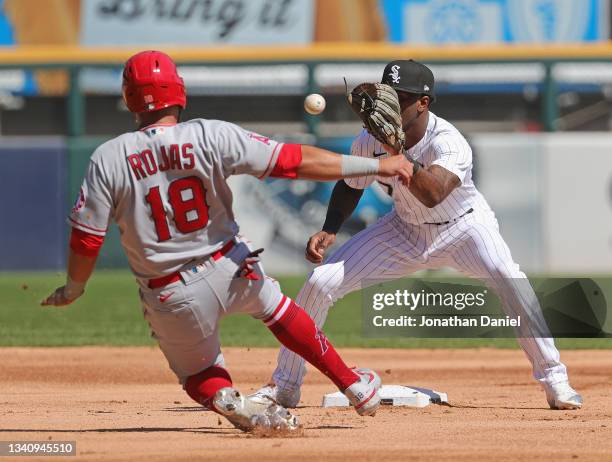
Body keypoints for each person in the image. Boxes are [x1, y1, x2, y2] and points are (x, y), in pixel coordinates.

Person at [41, 51, 416, 432]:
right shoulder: (210, 134)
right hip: (230, 265)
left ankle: (226, 397)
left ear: (129, 98)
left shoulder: (109, 157)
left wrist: (74, 287)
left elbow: (87, 240)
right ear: (179, 91)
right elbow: (293, 162)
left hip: (170, 291)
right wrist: (378, 164)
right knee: (279, 310)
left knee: (199, 375)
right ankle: (355, 386)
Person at [252, 59, 583, 411]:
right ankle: (285, 385)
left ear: (423, 103)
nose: (389, 106)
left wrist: (398, 151)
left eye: (401, 98)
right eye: (387, 96)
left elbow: (434, 194)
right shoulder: (369, 139)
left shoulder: (450, 142)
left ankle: (555, 379)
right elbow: (351, 184)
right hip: (405, 230)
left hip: (465, 228)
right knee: (319, 282)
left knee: (509, 278)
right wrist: (330, 228)